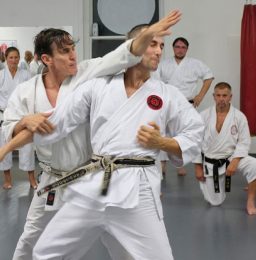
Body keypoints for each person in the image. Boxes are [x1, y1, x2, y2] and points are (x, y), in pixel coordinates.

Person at [0, 10, 182, 260]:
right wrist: (23, 121)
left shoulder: (88, 72)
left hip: (90, 175)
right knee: (31, 238)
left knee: (118, 241)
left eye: (73, 48)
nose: (73, 55)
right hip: (51, 179)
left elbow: (123, 54)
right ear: (46, 59)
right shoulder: (25, 91)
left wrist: (149, 34)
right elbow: (8, 126)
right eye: (64, 52)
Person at [193, 82, 256, 215]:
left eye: (225, 95)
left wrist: (235, 162)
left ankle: (250, 201)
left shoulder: (239, 117)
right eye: (218, 95)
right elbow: (196, 142)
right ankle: (209, 187)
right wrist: (198, 167)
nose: (221, 98)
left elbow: (244, 142)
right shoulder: (204, 116)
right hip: (212, 161)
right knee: (215, 202)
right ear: (214, 96)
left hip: (232, 156)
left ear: (230, 97)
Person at [154, 37, 214, 177]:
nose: (180, 49)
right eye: (177, 47)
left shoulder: (194, 63)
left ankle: (181, 165)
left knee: (185, 134)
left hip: (187, 104)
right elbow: (156, 83)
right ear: (173, 48)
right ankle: (162, 166)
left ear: (187, 49)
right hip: (168, 104)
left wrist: (200, 95)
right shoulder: (164, 64)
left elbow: (209, 76)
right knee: (164, 133)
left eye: (183, 47)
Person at [0, 47, 36, 189]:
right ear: (6, 58)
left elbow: (32, 94)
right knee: (4, 145)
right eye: (11, 57)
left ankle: (32, 179)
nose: (14, 60)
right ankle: (8, 179)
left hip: (22, 115)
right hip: (5, 114)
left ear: (19, 58)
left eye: (16, 57)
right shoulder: (1, 75)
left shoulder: (26, 74)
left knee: (27, 146)